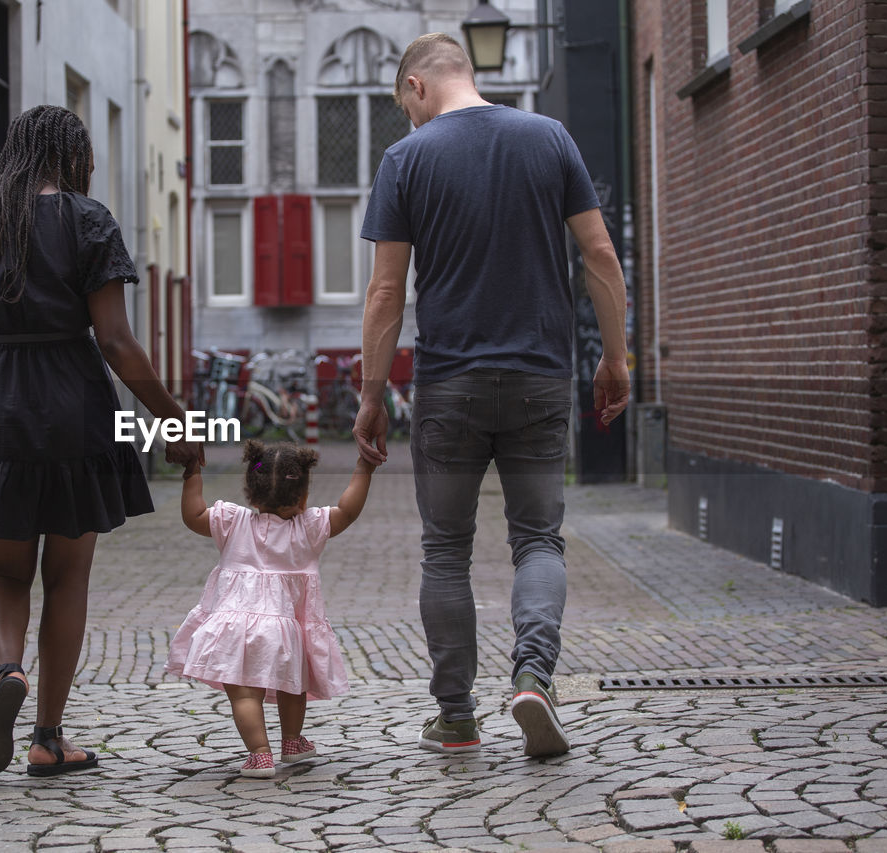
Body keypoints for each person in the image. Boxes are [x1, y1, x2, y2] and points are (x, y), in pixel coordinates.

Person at [355, 34, 630, 758]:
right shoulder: (550, 138)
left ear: (416, 87)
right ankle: (533, 677)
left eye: (404, 108)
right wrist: (616, 356)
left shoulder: (406, 159)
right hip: (540, 377)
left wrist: (371, 393)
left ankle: (455, 715)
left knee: (445, 550)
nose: (409, 122)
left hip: (449, 386)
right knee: (538, 539)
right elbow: (600, 255)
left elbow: (386, 292)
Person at [0, 105, 201, 776]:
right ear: (74, 156)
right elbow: (117, 341)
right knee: (67, 577)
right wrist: (173, 417)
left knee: (1, 571)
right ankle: (46, 736)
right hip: (75, 404)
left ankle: (6, 667)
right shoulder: (88, 219)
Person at [166, 440, 373, 778]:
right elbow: (347, 511)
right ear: (303, 497)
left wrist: (192, 473)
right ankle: (291, 741)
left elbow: (194, 516)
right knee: (293, 685)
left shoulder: (232, 522)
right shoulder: (308, 527)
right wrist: (365, 467)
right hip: (282, 631)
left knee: (245, 694)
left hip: (232, 627)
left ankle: (260, 754)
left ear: (250, 493)